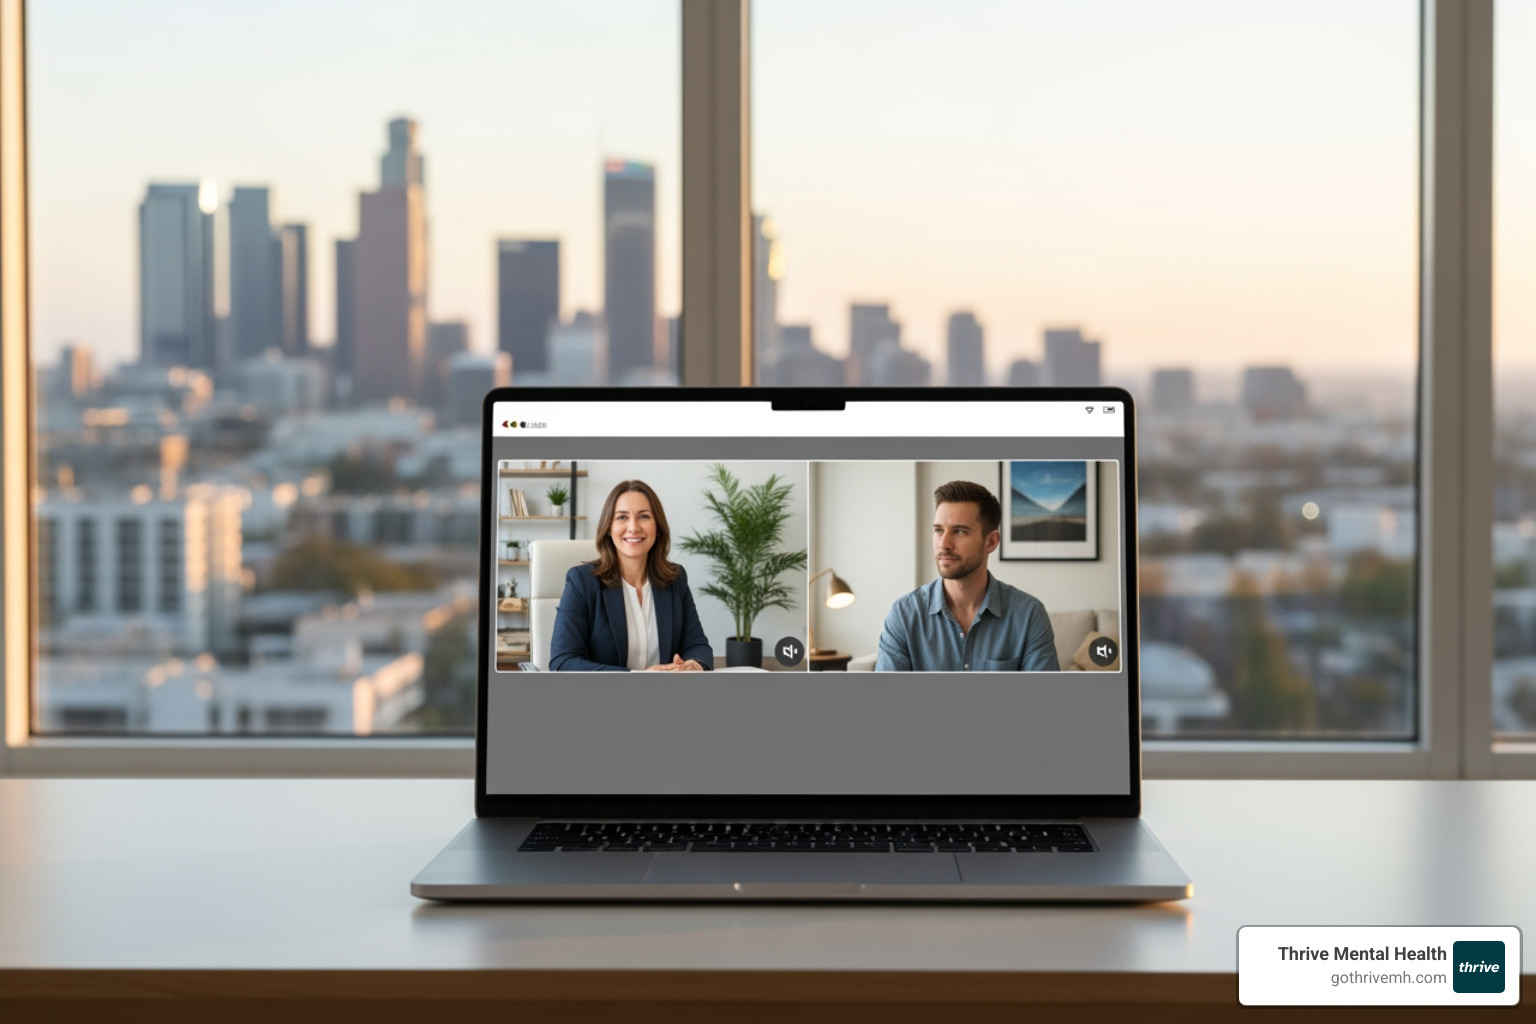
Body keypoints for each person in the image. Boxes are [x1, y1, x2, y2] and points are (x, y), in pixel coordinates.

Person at [875, 480, 1057, 672]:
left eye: (959, 531)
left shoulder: (1028, 615)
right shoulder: (904, 615)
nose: (944, 544)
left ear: (991, 542)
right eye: (938, 530)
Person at [548, 479, 714, 672]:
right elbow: (563, 662)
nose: (634, 527)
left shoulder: (675, 578)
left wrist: (695, 664)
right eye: (622, 517)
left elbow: (698, 645)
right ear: (608, 527)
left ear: (657, 527)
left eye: (644, 516)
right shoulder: (582, 582)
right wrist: (637, 678)